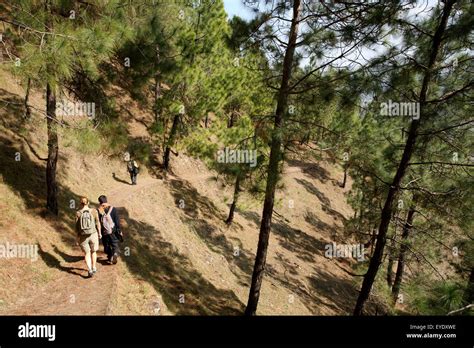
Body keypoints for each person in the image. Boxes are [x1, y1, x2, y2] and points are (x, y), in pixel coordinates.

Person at [75, 197, 102, 278]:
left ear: (80, 203)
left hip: (83, 236)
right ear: (88, 203)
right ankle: (94, 267)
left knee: (87, 253)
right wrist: (99, 233)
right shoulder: (93, 211)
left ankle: (89, 269)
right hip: (93, 234)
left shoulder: (78, 213)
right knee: (93, 251)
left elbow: (76, 228)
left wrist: (77, 238)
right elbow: (98, 222)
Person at [97, 195, 122, 264]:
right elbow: (117, 221)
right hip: (113, 230)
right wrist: (119, 230)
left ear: (99, 202)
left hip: (104, 231)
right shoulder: (113, 209)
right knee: (114, 243)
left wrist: (98, 232)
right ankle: (115, 254)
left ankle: (110, 255)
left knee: (106, 245)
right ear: (106, 200)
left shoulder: (99, 210)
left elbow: (98, 221)